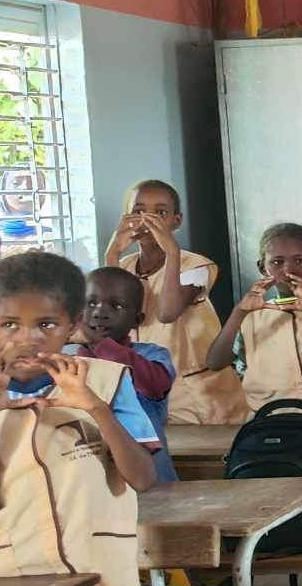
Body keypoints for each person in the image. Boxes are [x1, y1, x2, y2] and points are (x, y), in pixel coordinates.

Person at [0, 251, 159, 586]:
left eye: (47, 324)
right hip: (4, 581)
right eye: (10, 324)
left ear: (73, 324)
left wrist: (95, 408)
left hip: (100, 572)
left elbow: (143, 479)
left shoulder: (107, 382)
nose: (28, 338)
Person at [104, 179, 245, 424]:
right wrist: (112, 254)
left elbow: (167, 312)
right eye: (139, 211)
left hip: (198, 397)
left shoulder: (198, 266)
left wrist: (172, 252)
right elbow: (112, 320)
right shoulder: (123, 266)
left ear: (177, 221)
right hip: (148, 393)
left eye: (160, 213)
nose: (149, 220)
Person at [206, 224, 302, 421]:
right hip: (268, 422)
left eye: (299, 261)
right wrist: (239, 312)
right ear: (262, 268)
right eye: (277, 262)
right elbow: (215, 362)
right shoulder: (250, 314)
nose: (288, 269)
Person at [78, 266, 179, 482]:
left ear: (137, 320)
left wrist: (100, 344)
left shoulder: (152, 355)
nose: (100, 312)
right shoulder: (67, 358)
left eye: (116, 306)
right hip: (90, 481)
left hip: (151, 482)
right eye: (91, 303)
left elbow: (155, 384)